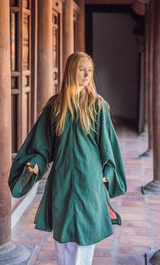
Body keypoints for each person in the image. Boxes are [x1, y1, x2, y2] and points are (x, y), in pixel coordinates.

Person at [8, 52, 127, 265]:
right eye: (82, 69)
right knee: (63, 238)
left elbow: (108, 147)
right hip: (62, 178)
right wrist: (36, 163)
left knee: (85, 236)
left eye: (90, 70)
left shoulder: (97, 105)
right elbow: (41, 145)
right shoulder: (56, 106)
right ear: (71, 71)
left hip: (89, 179)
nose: (87, 74)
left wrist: (107, 174)